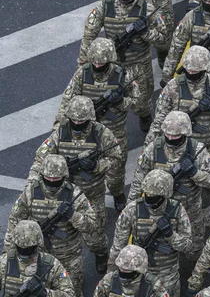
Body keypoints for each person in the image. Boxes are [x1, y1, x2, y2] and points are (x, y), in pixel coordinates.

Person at [30, 96, 121, 275]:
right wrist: (36, 182)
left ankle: (101, 253)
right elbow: (40, 158)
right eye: (74, 119)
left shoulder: (101, 133)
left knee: (94, 235)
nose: (77, 122)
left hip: (91, 193)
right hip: (62, 195)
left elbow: (116, 158)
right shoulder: (60, 133)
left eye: (82, 120)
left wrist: (96, 166)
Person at [150, 46, 210, 203]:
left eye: (196, 70)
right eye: (189, 70)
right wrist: (152, 145)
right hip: (180, 146)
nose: (191, 73)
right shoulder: (173, 86)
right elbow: (160, 118)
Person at [79, 0, 167, 132]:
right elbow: (90, 31)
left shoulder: (148, 8)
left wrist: (146, 33)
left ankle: (145, 115)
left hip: (138, 63)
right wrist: (85, 59)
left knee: (141, 101)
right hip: (110, 63)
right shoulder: (106, 5)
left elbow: (163, 38)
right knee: (106, 102)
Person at [57, 38, 140, 211]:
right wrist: (58, 126)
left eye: (100, 61)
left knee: (116, 168)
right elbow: (67, 100)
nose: (96, 64)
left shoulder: (122, 75)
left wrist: (120, 102)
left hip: (114, 128)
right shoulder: (82, 74)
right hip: (86, 130)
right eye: (93, 60)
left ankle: (118, 193)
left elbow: (136, 100)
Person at [129, 111, 210, 261]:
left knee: (194, 248)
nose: (170, 138)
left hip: (190, 210)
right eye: (167, 134)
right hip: (158, 210)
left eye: (175, 135)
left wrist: (195, 173)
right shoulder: (153, 149)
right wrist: (132, 207)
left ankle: (193, 271)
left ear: (185, 133)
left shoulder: (197, 150)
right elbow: (139, 180)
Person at [4, 155, 96, 296]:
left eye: (56, 179)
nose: (52, 181)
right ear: (42, 175)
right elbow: (14, 221)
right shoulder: (30, 193)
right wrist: (9, 253)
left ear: (64, 176)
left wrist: (73, 215)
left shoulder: (74, 194)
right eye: (48, 178)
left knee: (73, 290)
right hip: (35, 256)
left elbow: (92, 226)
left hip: (68, 255)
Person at [111, 170, 192, 297]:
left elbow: (188, 247)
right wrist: (113, 276)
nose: (149, 198)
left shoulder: (178, 211)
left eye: (154, 196)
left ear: (165, 194)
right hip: (136, 274)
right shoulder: (132, 210)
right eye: (147, 194)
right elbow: (118, 246)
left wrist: (170, 235)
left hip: (167, 275)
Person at [0, 220, 75, 296]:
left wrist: (44, 293)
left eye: (28, 249)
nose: (24, 252)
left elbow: (70, 294)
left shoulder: (52, 264)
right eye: (20, 248)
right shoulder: (4, 262)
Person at [94, 245, 169, 297]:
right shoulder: (109, 280)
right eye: (121, 267)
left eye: (127, 270)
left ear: (139, 270)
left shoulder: (152, 285)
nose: (122, 271)